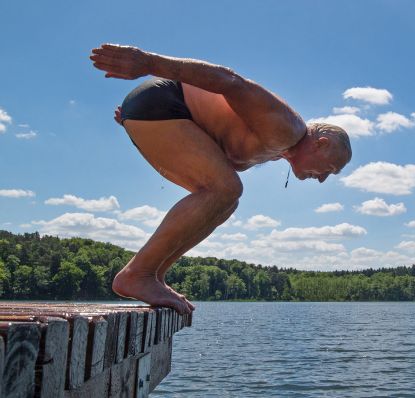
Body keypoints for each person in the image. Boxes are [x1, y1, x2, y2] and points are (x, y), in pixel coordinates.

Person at [90, 44, 352, 314]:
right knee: (225, 188)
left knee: (225, 200)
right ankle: (138, 274)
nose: (322, 180)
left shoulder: (276, 149)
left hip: (155, 113)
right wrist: (148, 62)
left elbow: (214, 127)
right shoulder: (288, 127)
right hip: (165, 101)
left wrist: (138, 122)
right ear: (320, 144)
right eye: (330, 169)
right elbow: (229, 81)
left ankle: (153, 275)